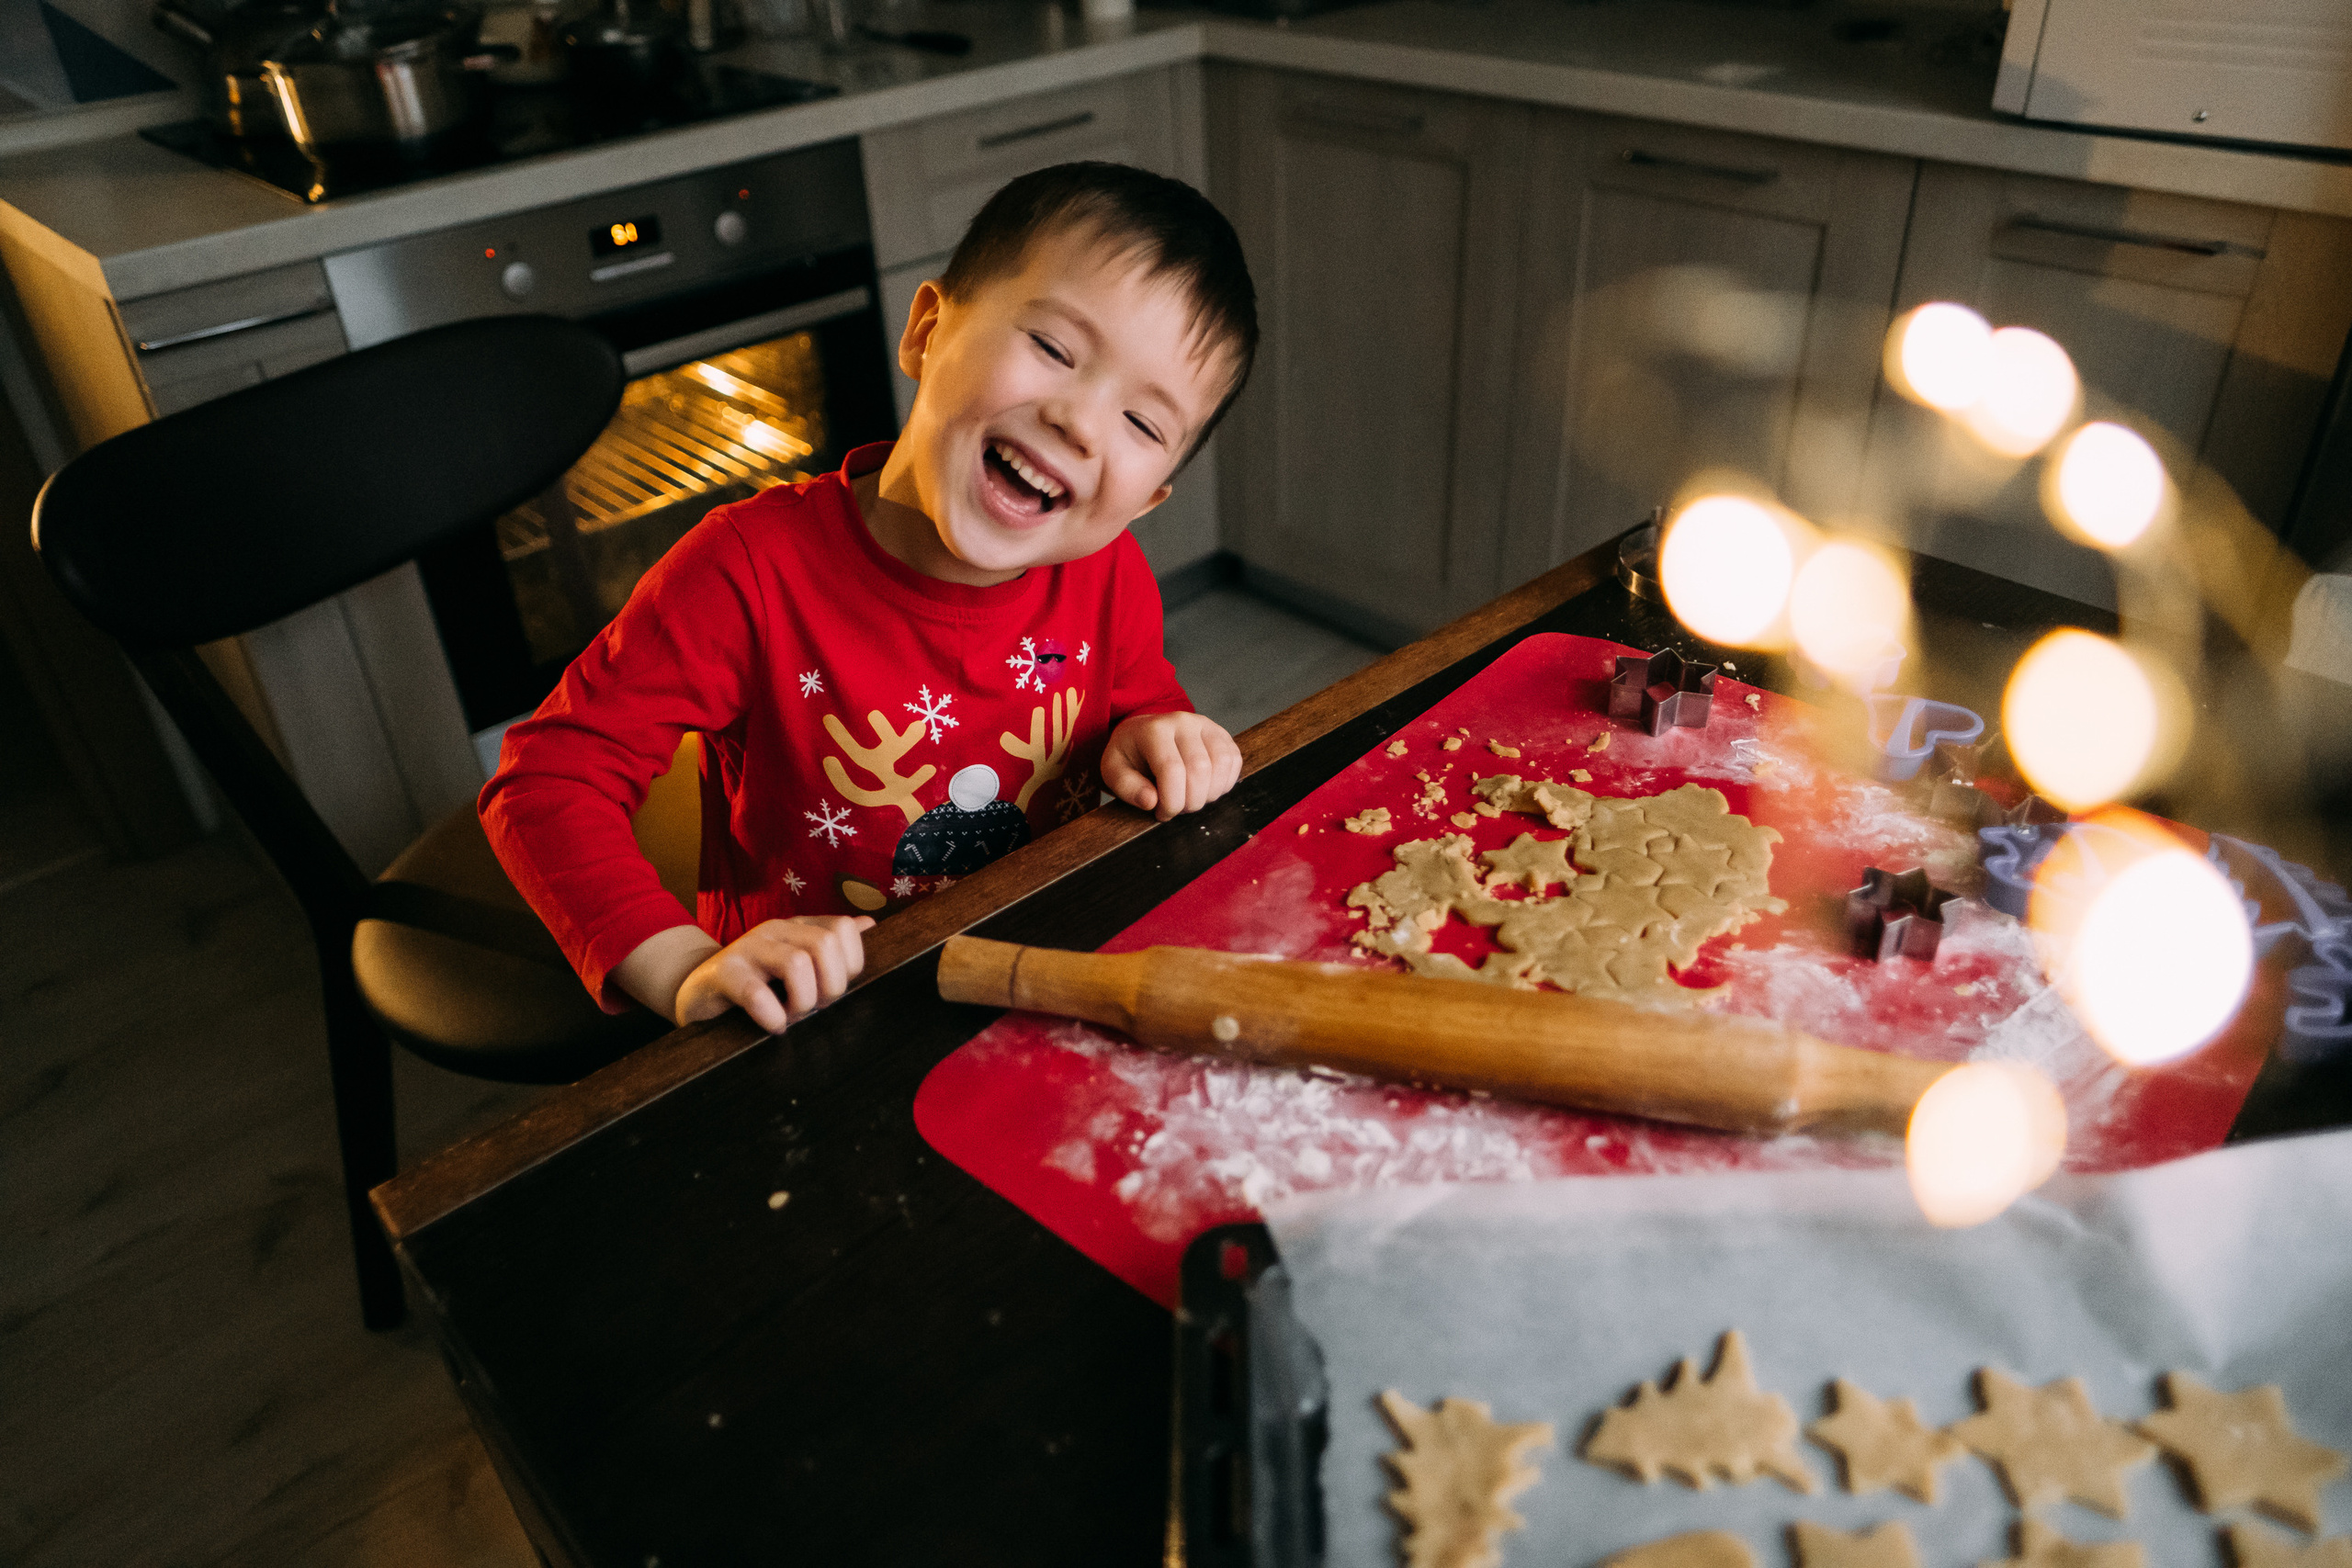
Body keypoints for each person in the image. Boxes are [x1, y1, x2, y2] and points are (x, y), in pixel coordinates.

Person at [481, 162, 1258, 1035]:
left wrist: (1159, 734)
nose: (1080, 422)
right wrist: (686, 965)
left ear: (1148, 499)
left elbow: (1139, 701)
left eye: (1144, 424)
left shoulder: (1108, 570)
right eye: (1053, 348)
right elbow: (546, 781)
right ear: (928, 330)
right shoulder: (748, 571)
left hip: (1038, 970)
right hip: (813, 1013)